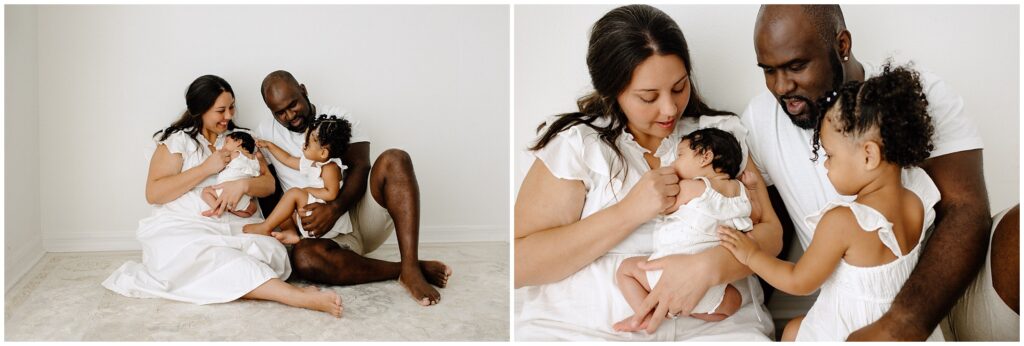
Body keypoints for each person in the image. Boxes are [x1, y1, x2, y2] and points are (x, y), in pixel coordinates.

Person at [514, 5, 782, 340]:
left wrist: (709, 266)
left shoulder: (718, 136)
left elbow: (771, 234)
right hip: (586, 331)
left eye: (679, 87)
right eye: (648, 97)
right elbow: (519, 263)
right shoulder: (579, 145)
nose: (670, 108)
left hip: (717, 329)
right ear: (613, 91)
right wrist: (629, 211)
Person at [743, 5, 1008, 340]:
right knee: (794, 330)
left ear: (842, 45)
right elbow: (772, 229)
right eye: (768, 71)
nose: (781, 87)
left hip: (937, 293)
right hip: (847, 303)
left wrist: (903, 322)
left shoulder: (919, 97)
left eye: (796, 66)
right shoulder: (761, 119)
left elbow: (967, 210)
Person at [723, 64, 942, 340]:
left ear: (868, 156)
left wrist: (751, 255)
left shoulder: (843, 222)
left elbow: (799, 281)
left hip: (851, 332)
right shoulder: (917, 200)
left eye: (829, 155)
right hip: (899, 327)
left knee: (792, 333)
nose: (825, 165)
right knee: (794, 329)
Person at [102, 75, 342, 317]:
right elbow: (154, 193)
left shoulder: (242, 138)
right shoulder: (178, 141)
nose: (229, 116)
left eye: (231, 107)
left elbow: (268, 185)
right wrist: (207, 167)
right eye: (220, 110)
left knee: (272, 255)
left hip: (238, 224)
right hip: (187, 225)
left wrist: (244, 185)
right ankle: (295, 296)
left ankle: (255, 283)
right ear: (200, 111)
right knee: (198, 257)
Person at [256, 70, 451, 306]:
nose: (289, 115)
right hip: (319, 237)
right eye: (280, 112)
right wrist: (291, 230)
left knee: (395, 159)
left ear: (304, 91)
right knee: (305, 260)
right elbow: (272, 189)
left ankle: (410, 266)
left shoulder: (338, 119)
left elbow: (361, 168)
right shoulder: (265, 133)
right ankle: (405, 269)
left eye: (293, 104)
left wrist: (334, 209)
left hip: (358, 216)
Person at [614, 128, 756, 332]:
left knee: (626, 270)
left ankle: (647, 313)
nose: (673, 163)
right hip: (710, 287)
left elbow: (663, 206)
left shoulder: (693, 187)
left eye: (680, 155)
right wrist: (753, 189)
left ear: (705, 157)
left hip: (665, 274)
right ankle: (686, 310)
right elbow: (755, 215)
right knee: (734, 301)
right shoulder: (741, 192)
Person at [244, 115, 353, 245]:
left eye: (307, 144)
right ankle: (291, 233)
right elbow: (288, 159)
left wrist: (307, 190)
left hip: (324, 222)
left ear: (323, 153)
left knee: (293, 193)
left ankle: (265, 227)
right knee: (283, 206)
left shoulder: (331, 167)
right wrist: (269, 145)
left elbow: (331, 193)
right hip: (309, 214)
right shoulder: (312, 162)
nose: (303, 145)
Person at [199, 131, 260, 218]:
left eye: (226, 142)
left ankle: (218, 208)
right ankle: (232, 210)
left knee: (205, 191)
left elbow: (219, 164)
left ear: (239, 142)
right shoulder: (255, 160)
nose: (223, 146)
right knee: (253, 209)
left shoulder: (234, 154)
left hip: (223, 191)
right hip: (243, 196)